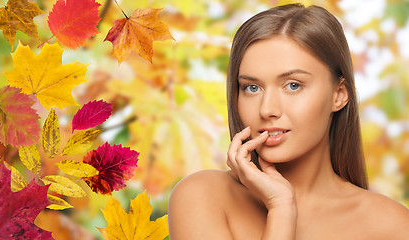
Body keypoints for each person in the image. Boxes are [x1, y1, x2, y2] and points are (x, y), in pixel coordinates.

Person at [168, 3, 409, 239]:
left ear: (339, 95)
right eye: (252, 88)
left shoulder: (391, 225)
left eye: (293, 85)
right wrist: (281, 210)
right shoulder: (202, 196)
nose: (267, 109)